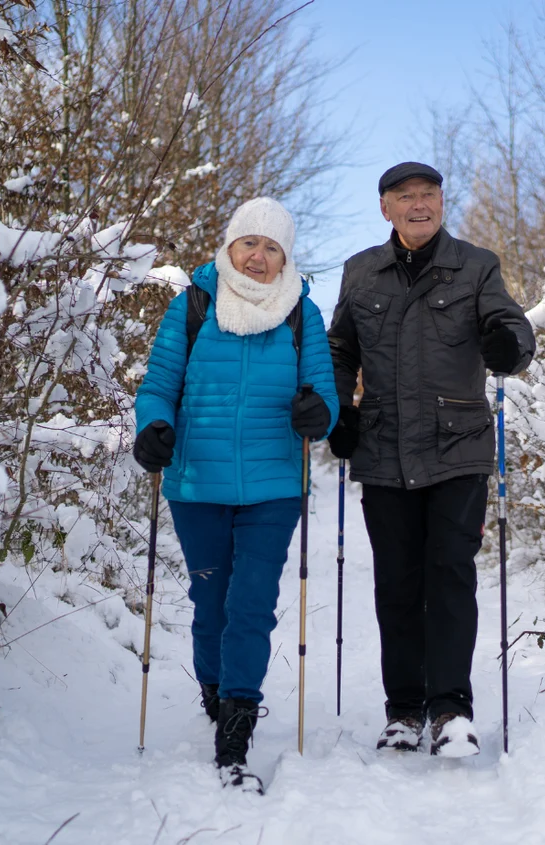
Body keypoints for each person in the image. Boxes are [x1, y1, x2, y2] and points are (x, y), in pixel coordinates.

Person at [325, 162, 534, 757]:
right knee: (396, 583)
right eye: (405, 197)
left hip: (457, 448)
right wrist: (341, 409)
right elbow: (340, 348)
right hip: (384, 447)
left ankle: (451, 711)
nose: (420, 205)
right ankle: (404, 711)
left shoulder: (476, 264)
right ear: (385, 209)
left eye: (429, 195)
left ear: (442, 203)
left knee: (448, 574)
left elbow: (510, 324)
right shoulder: (361, 272)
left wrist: (509, 344)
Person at [134, 197, 338, 793]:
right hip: (198, 482)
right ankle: (214, 687)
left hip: (274, 486)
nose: (259, 256)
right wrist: (153, 428)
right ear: (229, 247)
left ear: (285, 259)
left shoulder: (303, 315)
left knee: (251, 605)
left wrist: (316, 412)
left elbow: (322, 395)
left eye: (272, 248)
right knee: (211, 605)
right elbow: (158, 385)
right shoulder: (193, 305)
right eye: (250, 243)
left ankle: (237, 725)